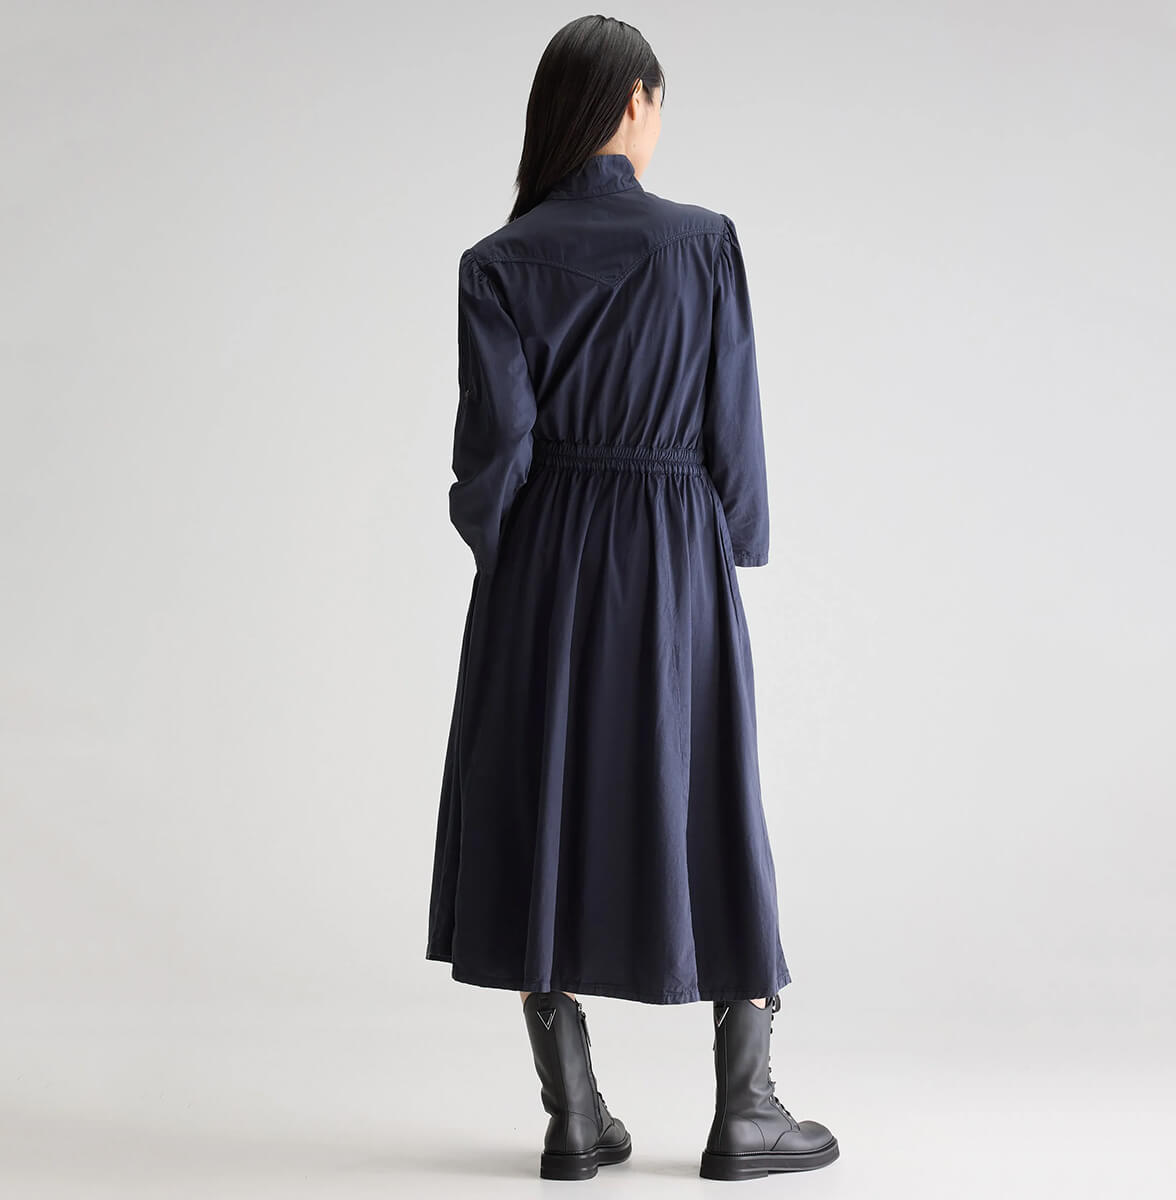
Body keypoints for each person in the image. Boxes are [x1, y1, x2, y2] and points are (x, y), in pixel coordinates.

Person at [425, 14, 839, 1183]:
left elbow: (494, 452)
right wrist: (733, 542)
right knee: (709, 794)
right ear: (637, 103)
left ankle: (573, 1115)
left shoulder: (497, 261)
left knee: (537, 800)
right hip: (671, 549)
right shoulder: (704, 243)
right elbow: (731, 424)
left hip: (543, 556)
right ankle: (745, 1109)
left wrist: (510, 560)